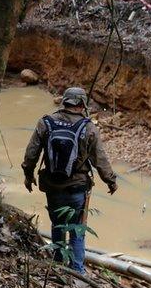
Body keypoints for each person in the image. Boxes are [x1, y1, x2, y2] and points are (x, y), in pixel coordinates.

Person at [22, 87, 117, 273]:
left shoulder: (46, 123)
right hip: (77, 188)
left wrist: (28, 175)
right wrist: (111, 181)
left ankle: (58, 265)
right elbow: (100, 159)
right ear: (82, 104)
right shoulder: (88, 127)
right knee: (77, 231)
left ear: (64, 101)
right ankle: (78, 271)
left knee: (57, 225)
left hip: (52, 186)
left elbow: (31, 152)